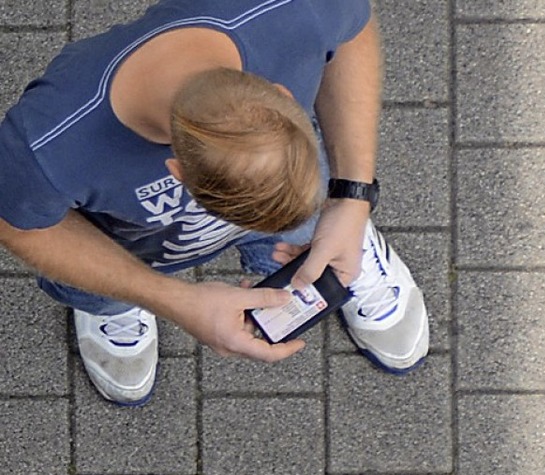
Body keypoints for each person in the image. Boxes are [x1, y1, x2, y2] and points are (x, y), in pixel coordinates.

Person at [0, 0, 429, 406]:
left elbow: (354, 30)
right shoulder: (46, 147)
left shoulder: (296, 10)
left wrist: (350, 198)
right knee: (97, 286)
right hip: (130, 241)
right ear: (178, 174)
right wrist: (174, 301)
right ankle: (118, 302)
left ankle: (340, 235)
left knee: (311, 220)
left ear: (278, 92)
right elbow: (19, 225)